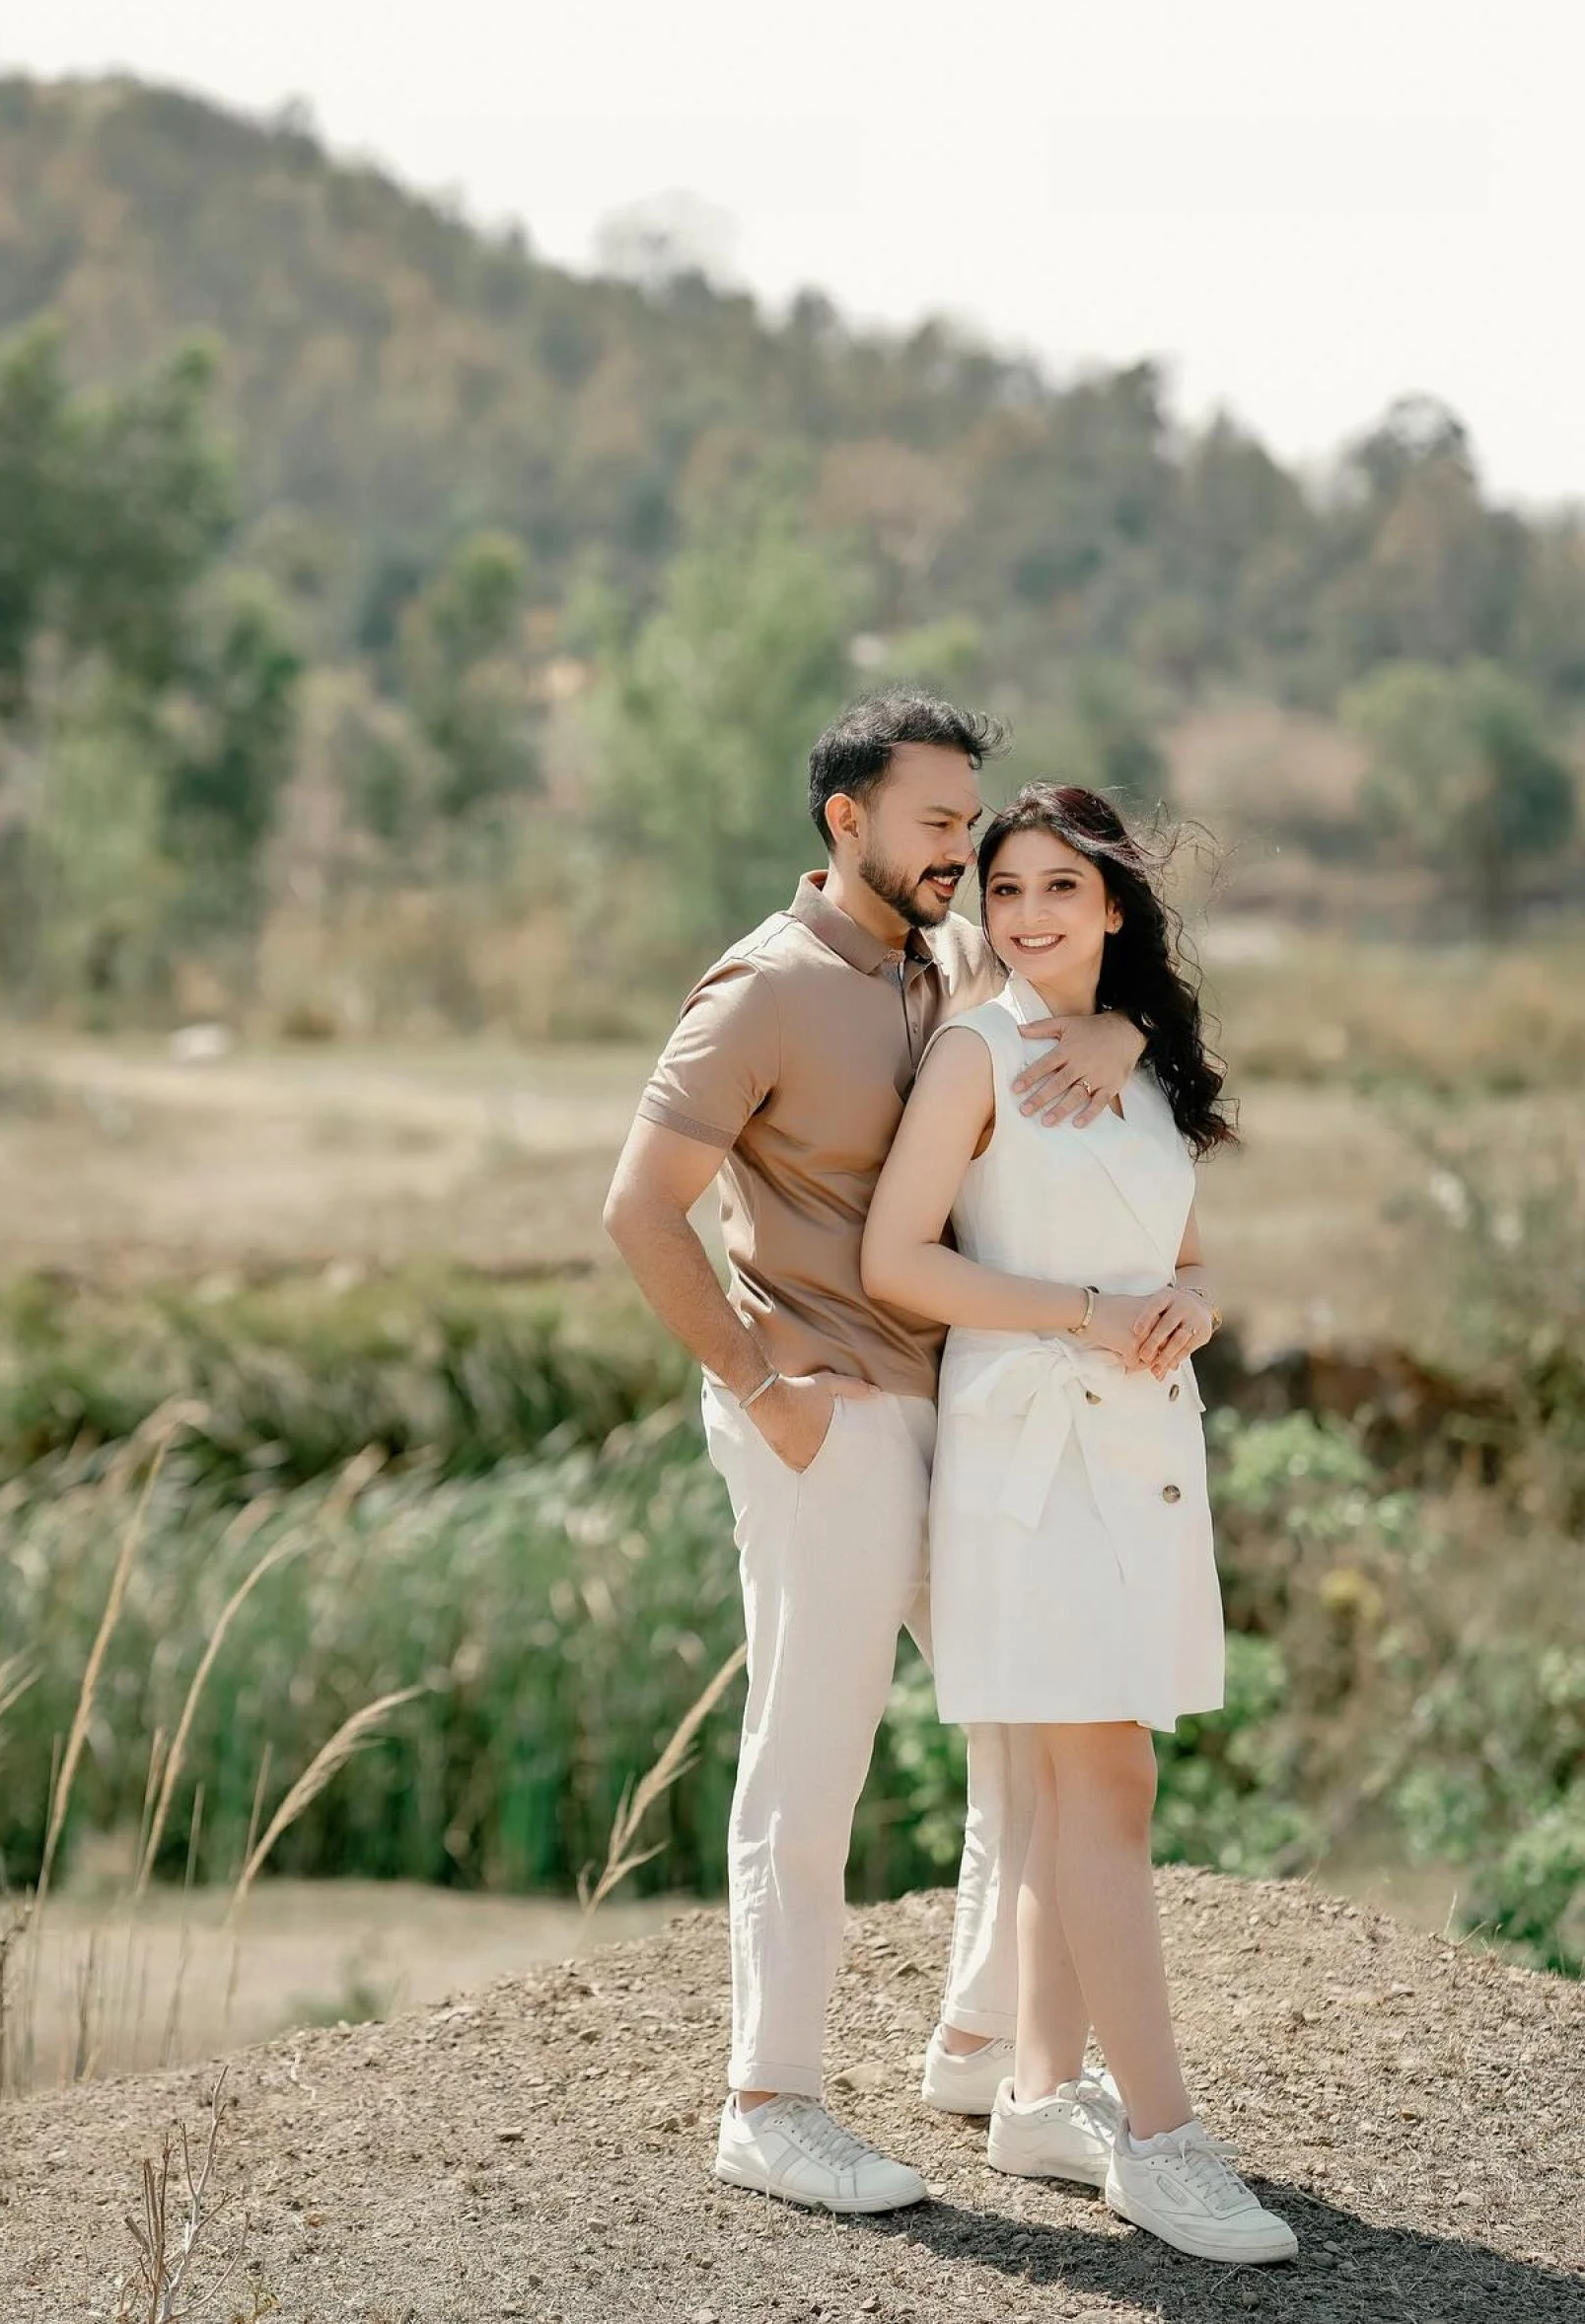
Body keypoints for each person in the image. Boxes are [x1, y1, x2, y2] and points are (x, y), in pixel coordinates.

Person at [603, 694, 1144, 2215]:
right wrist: (757, 1382)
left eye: (970, 820)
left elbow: (1089, 996)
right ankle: (768, 2104)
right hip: (825, 1413)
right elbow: (639, 1210)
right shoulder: (762, 990)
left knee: (1026, 1717)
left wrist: (1113, 1028)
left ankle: (979, 2045)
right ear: (847, 821)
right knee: (815, 1750)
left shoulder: (948, 962)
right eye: (936, 821)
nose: (962, 847)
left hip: (960, 1406)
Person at [861, 782, 1297, 2265]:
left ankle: (1043, 2095)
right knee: (1105, 1780)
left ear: (1115, 905)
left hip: (1144, 1453)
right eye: (1006, 890)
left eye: (1061, 887)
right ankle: (1163, 2146)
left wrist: (1191, 1304)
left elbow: (1182, 1250)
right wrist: (1086, 1313)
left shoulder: (1149, 1062)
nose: (1030, 914)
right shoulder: (975, 1053)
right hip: (1031, 1463)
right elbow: (897, 1257)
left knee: (1075, 1787)